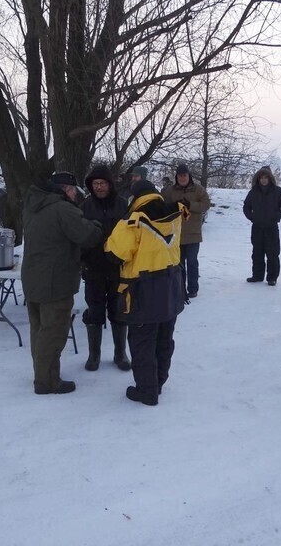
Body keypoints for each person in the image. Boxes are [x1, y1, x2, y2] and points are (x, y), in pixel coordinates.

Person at [105, 180, 186, 406]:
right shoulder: (175, 214)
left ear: (136, 197)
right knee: (164, 338)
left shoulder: (134, 219)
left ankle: (146, 391)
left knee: (142, 342)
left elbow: (115, 254)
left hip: (143, 290)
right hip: (171, 287)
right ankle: (158, 382)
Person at [21, 171, 102, 395]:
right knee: (53, 333)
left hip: (33, 278)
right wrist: (96, 225)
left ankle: (42, 374)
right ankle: (47, 382)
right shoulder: (62, 208)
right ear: (67, 189)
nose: (76, 195)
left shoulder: (33, 205)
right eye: (74, 191)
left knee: (39, 330)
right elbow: (87, 235)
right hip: (54, 282)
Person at [80, 165, 130, 372]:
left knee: (119, 311)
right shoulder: (85, 206)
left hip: (118, 268)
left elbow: (132, 234)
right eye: (95, 184)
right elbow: (79, 236)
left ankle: (120, 353)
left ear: (110, 184)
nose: (99, 187)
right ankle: (94, 355)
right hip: (94, 268)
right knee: (94, 310)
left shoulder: (123, 205)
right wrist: (83, 260)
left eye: (102, 183)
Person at [162, 163, 211, 298]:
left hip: (193, 233)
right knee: (178, 263)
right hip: (176, 234)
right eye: (180, 176)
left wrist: (190, 205)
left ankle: (193, 289)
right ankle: (180, 288)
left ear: (189, 176)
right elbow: (163, 205)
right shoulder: (170, 191)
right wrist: (173, 207)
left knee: (192, 262)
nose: (182, 178)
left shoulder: (198, 189)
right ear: (176, 177)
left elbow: (206, 204)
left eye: (184, 175)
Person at [243, 166, 281, 285]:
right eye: (261, 178)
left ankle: (272, 277)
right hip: (257, 227)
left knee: (273, 253)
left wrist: (276, 216)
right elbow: (246, 206)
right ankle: (257, 275)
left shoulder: (278, 191)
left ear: (270, 178)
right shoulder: (253, 192)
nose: (263, 180)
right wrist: (252, 217)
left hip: (271, 227)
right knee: (257, 252)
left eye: (266, 177)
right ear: (258, 179)